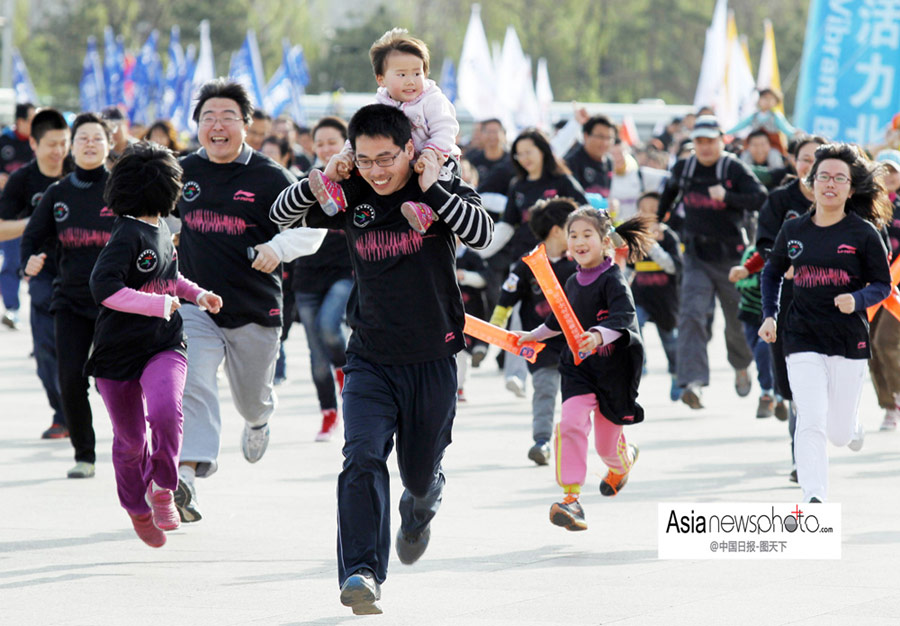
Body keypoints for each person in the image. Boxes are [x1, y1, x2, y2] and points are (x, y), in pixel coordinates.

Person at [269, 103, 493, 615]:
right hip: (370, 356)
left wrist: (435, 187)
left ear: (409, 149)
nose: (377, 170)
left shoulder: (438, 182)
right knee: (362, 456)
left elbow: (483, 235)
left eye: (386, 158)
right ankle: (361, 571)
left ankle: (422, 500)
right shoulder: (350, 192)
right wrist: (323, 178)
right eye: (365, 159)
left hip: (433, 358)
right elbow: (281, 215)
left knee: (416, 473)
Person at [172, 79, 322, 524]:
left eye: (227, 118)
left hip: (256, 308)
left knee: (251, 399)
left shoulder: (269, 176)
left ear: (246, 124)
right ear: (197, 125)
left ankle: (258, 420)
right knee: (194, 382)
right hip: (199, 304)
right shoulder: (181, 173)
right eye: (208, 118)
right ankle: (188, 475)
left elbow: (312, 228)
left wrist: (278, 248)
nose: (217, 126)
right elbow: (156, 218)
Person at [85, 143, 223, 547]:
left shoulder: (162, 228)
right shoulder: (126, 233)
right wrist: (157, 303)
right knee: (130, 443)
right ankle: (136, 506)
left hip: (164, 344)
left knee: (166, 411)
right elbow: (103, 287)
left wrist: (198, 295)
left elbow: (169, 278)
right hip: (116, 353)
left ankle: (164, 487)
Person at [760, 143, 892, 503]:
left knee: (837, 433)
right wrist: (770, 315)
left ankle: (852, 426)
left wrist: (858, 300)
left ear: (851, 188)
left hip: (849, 338)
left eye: (839, 178)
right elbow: (771, 273)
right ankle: (814, 496)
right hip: (801, 335)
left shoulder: (863, 233)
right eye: (823, 177)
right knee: (811, 418)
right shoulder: (794, 230)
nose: (830, 184)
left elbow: (883, 284)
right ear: (811, 181)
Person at [516, 208, 653, 530]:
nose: (578, 240)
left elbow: (622, 320)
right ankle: (571, 498)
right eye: (573, 234)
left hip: (612, 373)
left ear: (605, 241)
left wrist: (596, 335)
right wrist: (533, 336)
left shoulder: (614, 279)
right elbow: (557, 321)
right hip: (578, 370)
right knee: (570, 425)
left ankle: (622, 462)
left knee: (607, 447)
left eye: (587, 234)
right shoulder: (571, 281)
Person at [20, 113, 117, 478]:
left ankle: (131, 445)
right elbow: (32, 237)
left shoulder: (123, 189)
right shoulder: (58, 194)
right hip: (72, 301)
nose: (89, 144)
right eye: (82, 139)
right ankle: (85, 455)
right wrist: (29, 262)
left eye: (97, 138)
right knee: (70, 378)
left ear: (109, 144)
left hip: (118, 304)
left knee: (119, 381)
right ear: (71, 147)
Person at [657, 115, 766, 409]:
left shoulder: (733, 168)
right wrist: (656, 224)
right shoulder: (685, 167)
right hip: (696, 256)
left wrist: (728, 196)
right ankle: (692, 382)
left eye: (710, 141)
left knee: (736, 321)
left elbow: (761, 198)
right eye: (699, 142)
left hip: (732, 259)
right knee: (691, 314)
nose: (704, 147)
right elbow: (666, 199)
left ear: (721, 141)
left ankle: (742, 365)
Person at [307, 28, 459, 235]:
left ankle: (428, 212)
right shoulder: (379, 103)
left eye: (417, 73)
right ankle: (339, 195)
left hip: (437, 158)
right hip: (397, 162)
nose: (411, 80)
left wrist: (431, 152)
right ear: (381, 79)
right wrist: (347, 155)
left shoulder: (432, 99)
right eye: (402, 74)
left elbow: (446, 129)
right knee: (365, 169)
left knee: (437, 179)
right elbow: (361, 133)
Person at [756, 134, 827, 480]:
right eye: (804, 158)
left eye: (818, 159)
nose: (810, 165)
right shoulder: (780, 201)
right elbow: (765, 243)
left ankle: (813, 453)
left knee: (822, 386)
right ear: (794, 162)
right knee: (796, 387)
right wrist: (782, 262)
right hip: (789, 305)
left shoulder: (843, 201)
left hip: (832, 307)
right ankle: (803, 459)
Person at [0, 108, 71, 438]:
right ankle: (62, 415)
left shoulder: (81, 171)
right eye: (51, 144)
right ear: (35, 144)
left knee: (87, 355)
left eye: (64, 143)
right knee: (46, 356)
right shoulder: (22, 180)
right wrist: (34, 222)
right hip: (43, 275)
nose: (59, 151)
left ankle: (80, 412)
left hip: (88, 275)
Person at [491, 198, 577, 464]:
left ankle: (576, 441)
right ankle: (542, 441)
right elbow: (508, 294)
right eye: (571, 230)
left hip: (575, 345)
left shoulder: (577, 263)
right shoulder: (529, 264)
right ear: (555, 230)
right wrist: (497, 323)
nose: (576, 237)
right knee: (545, 392)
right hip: (540, 345)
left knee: (576, 398)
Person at [292, 116, 355, 441]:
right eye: (320, 143)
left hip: (345, 273)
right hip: (307, 278)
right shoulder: (306, 183)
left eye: (333, 142)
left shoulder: (357, 180)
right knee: (317, 360)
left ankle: (347, 373)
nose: (326, 148)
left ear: (345, 142)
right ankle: (329, 415)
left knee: (330, 326)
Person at [630, 192, 681, 401]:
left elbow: (673, 267)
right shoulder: (636, 237)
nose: (649, 215)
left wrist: (654, 246)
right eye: (644, 211)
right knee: (634, 324)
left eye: (654, 211)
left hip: (665, 301)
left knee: (670, 342)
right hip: (641, 296)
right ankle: (641, 363)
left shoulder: (669, 237)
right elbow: (629, 268)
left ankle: (677, 377)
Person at [868, 149, 900, 431]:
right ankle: (889, 406)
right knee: (869, 347)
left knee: (885, 341)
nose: (888, 176)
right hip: (871, 286)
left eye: (894, 170)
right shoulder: (866, 205)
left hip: (898, 289)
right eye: (883, 170)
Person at [0, 102, 36, 329]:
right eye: (32, 120)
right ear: (21, 121)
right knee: (12, 261)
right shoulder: (4, 141)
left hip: (34, 213)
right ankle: (12, 309)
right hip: (9, 215)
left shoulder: (39, 143)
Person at [729, 244, 776, 417]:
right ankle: (771, 390)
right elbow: (740, 283)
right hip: (750, 315)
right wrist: (761, 280)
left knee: (765, 349)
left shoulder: (783, 249)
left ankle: (768, 393)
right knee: (758, 353)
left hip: (771, 316)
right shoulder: (751, 253)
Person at [455, 235, 490, 403]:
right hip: (443, 311)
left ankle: (459, 387)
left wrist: (465, 276)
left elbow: (485, 279)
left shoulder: (471, 257)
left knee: (462, 352)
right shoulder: (433, 255)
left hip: (470, 309)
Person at [725, 87, 797, 154]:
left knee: (775, 158)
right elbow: (741, 125)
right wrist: (726, 132)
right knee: (745, 156)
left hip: (772, 146)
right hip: (754, 145)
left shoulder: (776, 116)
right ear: (759, 100)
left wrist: (796, 133)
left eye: (771, 99)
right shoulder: (754, 116)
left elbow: (786, 129)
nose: (767, 101)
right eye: (765, 98)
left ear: (775, 102)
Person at [564, 115, 616, 197]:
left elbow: (605, 200)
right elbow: (573, 200)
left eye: (609, 138)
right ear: (586, 136)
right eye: (600, 137)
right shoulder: (571, 163)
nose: (605, 142)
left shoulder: (609, 161)